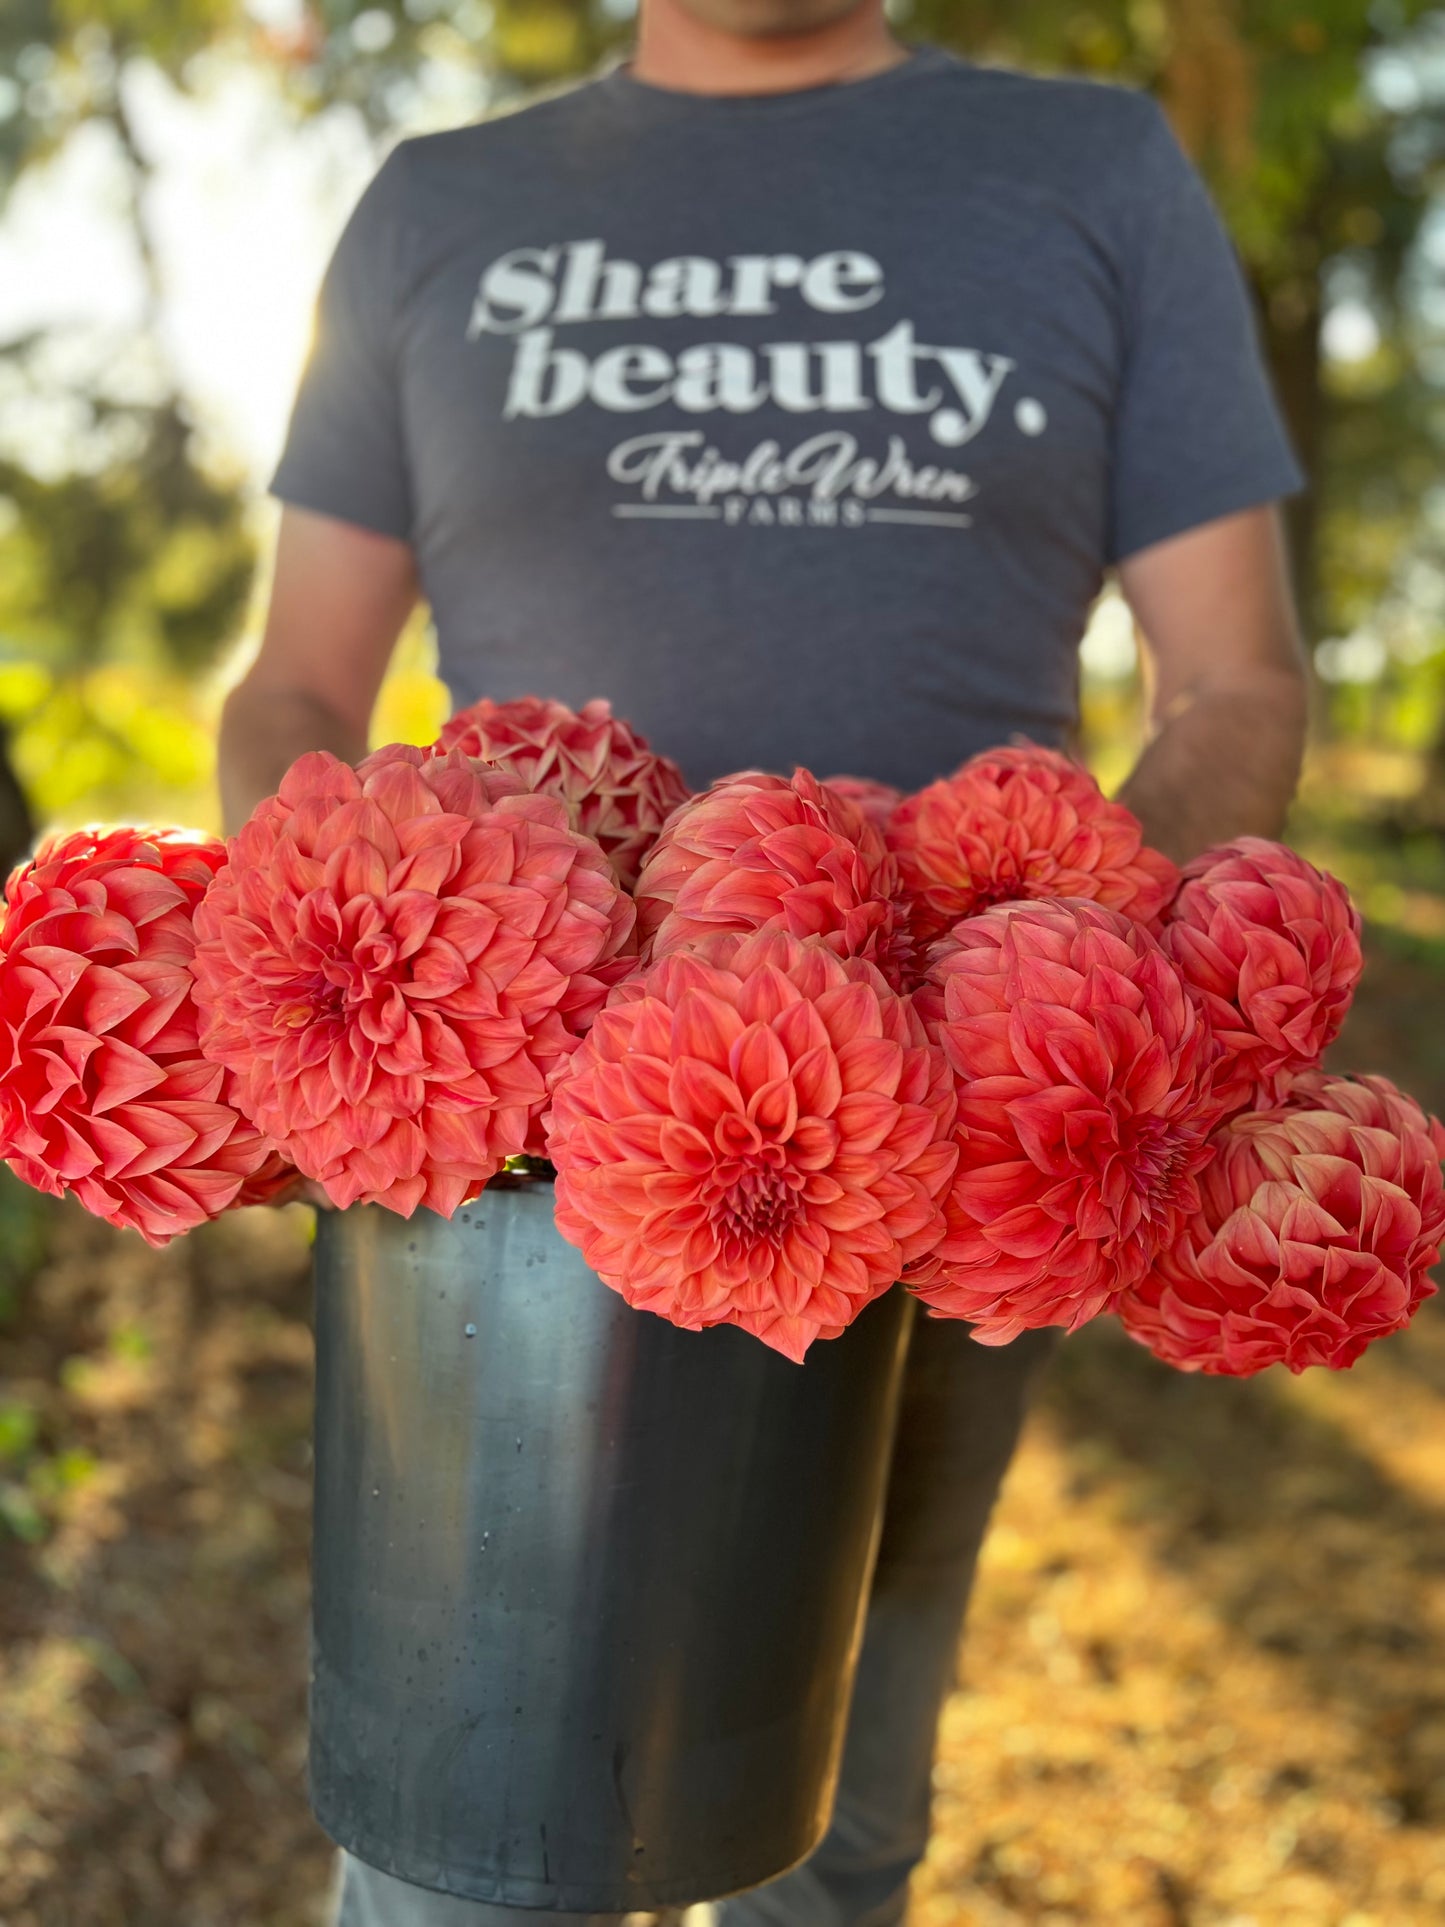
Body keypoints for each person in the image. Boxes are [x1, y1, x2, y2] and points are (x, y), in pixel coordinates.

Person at [223, 0, 1309, 1921]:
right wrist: (305, 997)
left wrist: (1088, 1003)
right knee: (466, 1851)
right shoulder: (434, 207)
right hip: (506, 1173)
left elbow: (1231, 676)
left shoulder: (1092, 174)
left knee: (822, 1816)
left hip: (941, 1143)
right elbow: (302, 678)